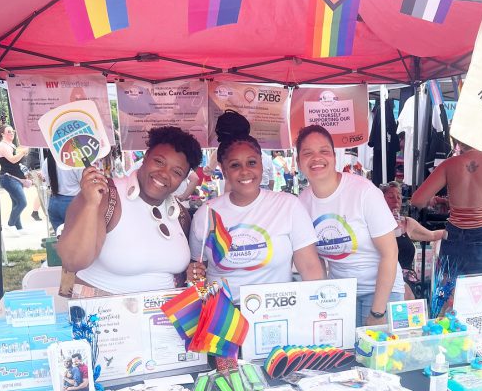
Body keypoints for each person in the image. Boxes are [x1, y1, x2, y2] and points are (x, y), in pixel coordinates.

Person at [189, 111, 324, 301]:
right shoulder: (206, 213)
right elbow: (197, 274)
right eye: (235, 165)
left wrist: (317, 311)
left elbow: (310, 267)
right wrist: (197, 283)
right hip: (222, 321)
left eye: (252, 163)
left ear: (262, 164)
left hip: (276, 316)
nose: (245, 171)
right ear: (223, 169)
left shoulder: (288, 206)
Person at [58, 126, 205, 296]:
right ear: (146, 157)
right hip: (103, 316)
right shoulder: (104, 195)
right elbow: (72, 261)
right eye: (159, 162)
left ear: (183, 179)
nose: (164, 174)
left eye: (177, 172)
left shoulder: (180, 215)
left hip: (163, 318)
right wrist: (91, 205)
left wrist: (190, 273)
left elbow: (175, 271)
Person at [296, 125, 403, 326]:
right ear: (298, 162)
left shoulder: (363, 191)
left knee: (375, 355)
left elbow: (390, 253)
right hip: (341, 294)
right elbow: (314, 261)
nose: (316, 158)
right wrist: (322, 303)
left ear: (334, 158)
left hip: (382, 291)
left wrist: (378, 313)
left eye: (324, 151)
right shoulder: (301, 203)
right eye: (307, 153)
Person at [411, 140, 482, 277]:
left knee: (450, 293)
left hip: (453, 235)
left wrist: (446, 203)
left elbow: (417, 200)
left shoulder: (449, 164)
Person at [383, 181, 444, 299]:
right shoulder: (375, 224)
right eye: (390, 197)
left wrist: (455, 231)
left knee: (408, 295)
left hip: (406, 279)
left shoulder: (407, 223)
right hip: (384, 277)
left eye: (399, 197)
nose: (396, 200)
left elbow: (431, 235)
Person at [0, 124, 30, 234]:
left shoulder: (11, 145)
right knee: (22, 202)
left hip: (16, 178)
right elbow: (13, 160)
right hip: (8, 178)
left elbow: (19, 161)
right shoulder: (2, 146)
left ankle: (18, 227)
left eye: (12, 131)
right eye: (9, 132)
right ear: (2, 134)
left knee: (16, 203)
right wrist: (23, 152)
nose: (12, 133)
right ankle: (10, 225)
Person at [42, 149, 84, 233]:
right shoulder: (75, 159)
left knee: (62, 240)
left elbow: (47, 181)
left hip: (54, 202)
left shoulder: (47, 160)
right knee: (77, 239)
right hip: (73, 202)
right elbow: (84, 183)